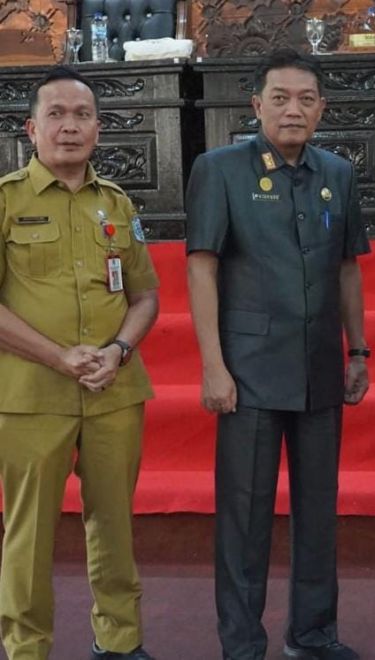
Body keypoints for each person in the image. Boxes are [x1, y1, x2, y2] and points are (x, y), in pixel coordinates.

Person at [185, 48, 369, 660]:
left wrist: (358, 350)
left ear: (321, 108)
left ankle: (313, 634)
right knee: (245, 519)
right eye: (281, 98)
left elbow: (347, 268)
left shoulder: (337, 172)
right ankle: (242, 644)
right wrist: (213, 365)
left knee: (318, 514)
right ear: (256, 104)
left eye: (306, 99)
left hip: (319, 368)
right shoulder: (219, 169)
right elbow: (202, 267)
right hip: (249, 373)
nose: (294, 110)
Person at [0, 66, 160, 660]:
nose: (70, 126)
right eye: (57, 114)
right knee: (29, 533)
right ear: (31, 128)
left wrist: (118, 351)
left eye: (83, 115)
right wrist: (59, 357)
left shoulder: (116, 203)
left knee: (114, 524)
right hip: (31, 396)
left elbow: (145, 296)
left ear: (98, 127)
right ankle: (26, 647)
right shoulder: (7, 200)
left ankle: (120, 641)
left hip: (113, 391)